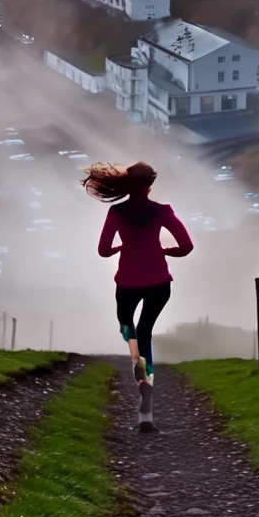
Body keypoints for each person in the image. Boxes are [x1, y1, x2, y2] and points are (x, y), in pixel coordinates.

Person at [85, 161, 193, 432]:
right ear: (149, 187)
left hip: (127, 285)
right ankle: (146, 400)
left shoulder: (116, 212)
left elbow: (103, 250)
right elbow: (186, 246)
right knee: (145, 333)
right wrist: (164, 252)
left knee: (128, 330)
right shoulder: (162, 211)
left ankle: (139, 370)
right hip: (159, 283)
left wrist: (122, 247)